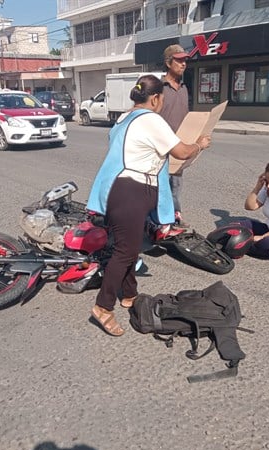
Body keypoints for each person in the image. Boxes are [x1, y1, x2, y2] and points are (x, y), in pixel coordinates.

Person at [86, 74, 211, 336]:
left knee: (127, 246)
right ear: (155, 98)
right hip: (131, 190)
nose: (162, 105)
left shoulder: (123, 118)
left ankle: (129, 294)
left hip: (121, 190)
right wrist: (199, 145)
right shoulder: (151, 119)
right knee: (125, 252)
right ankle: (102, 306)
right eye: (162, 100)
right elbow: (181, 152)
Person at [160, 44, 191, 227]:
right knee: (161, 185)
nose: (183, 64)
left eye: (185, 60)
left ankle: (174, 216)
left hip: (179, 146)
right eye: (179, 60)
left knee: (176, 185)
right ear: (168, 62)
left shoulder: (184, 88)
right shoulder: (159, 88)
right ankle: (160, 219)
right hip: (161, 147)